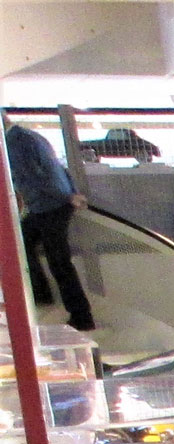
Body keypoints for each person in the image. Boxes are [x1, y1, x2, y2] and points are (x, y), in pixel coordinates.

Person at [4, 114, 95, 331]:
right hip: (50, 204)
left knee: (58, 261)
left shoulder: (14, 143)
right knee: (26, 247)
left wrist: (66, 197)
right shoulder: (31, 136)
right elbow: (58, 167)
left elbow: (35, 176)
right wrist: (71, 193)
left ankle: (81, 316)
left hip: (50, 205)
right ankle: (43, 295)